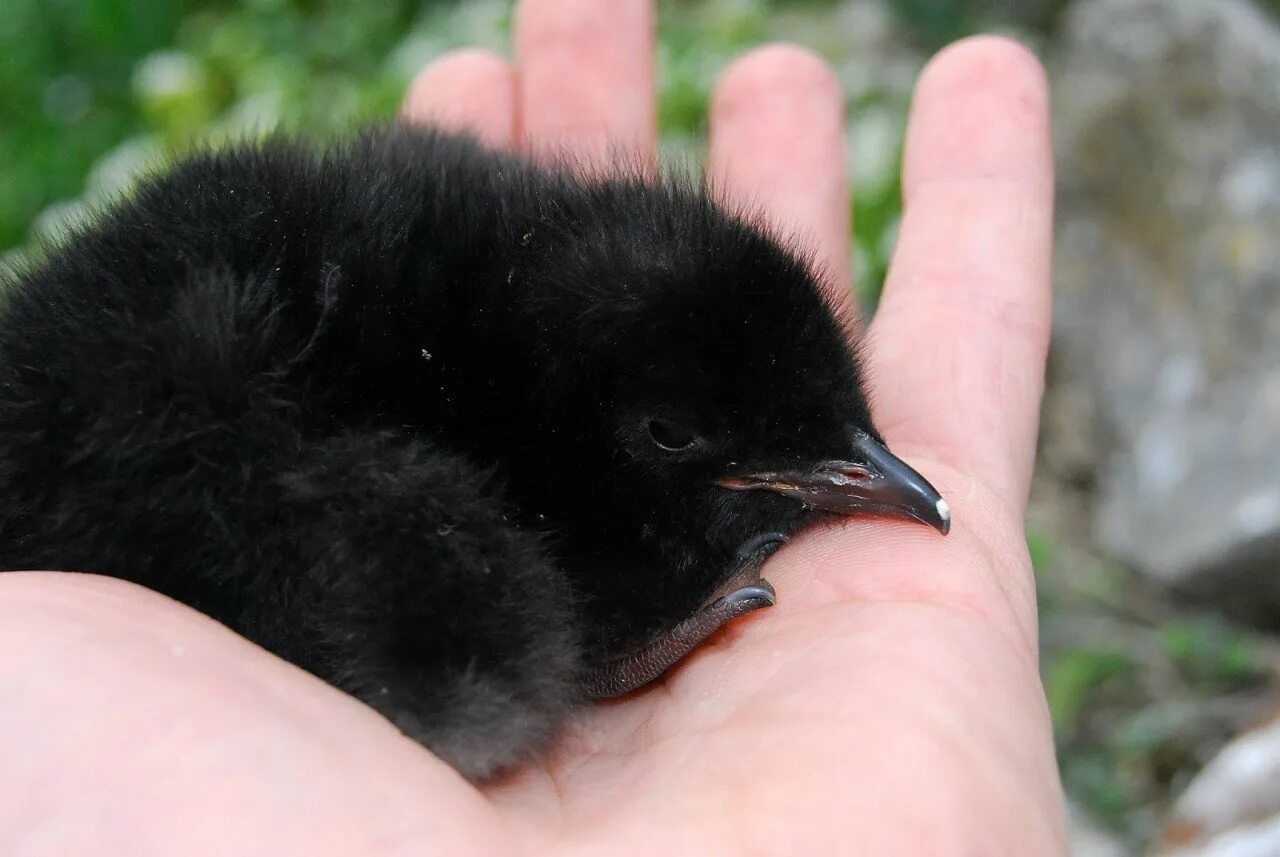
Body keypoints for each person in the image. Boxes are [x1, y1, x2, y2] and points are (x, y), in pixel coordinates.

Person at [0, 0, 1063, 852]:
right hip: (115, 428)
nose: (876, 480)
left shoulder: (445, 284)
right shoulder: (257, 394)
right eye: (678, 436)